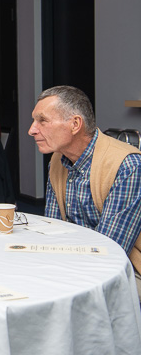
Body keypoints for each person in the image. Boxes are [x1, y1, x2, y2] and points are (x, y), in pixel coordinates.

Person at [29, 85, 141, 295]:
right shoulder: (57, 159)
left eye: (42, 120)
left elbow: (110, 250)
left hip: (125, 268)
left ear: (75, 124)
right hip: (74, 259)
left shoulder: (127, 165)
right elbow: (54, 228)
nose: (32, 129)